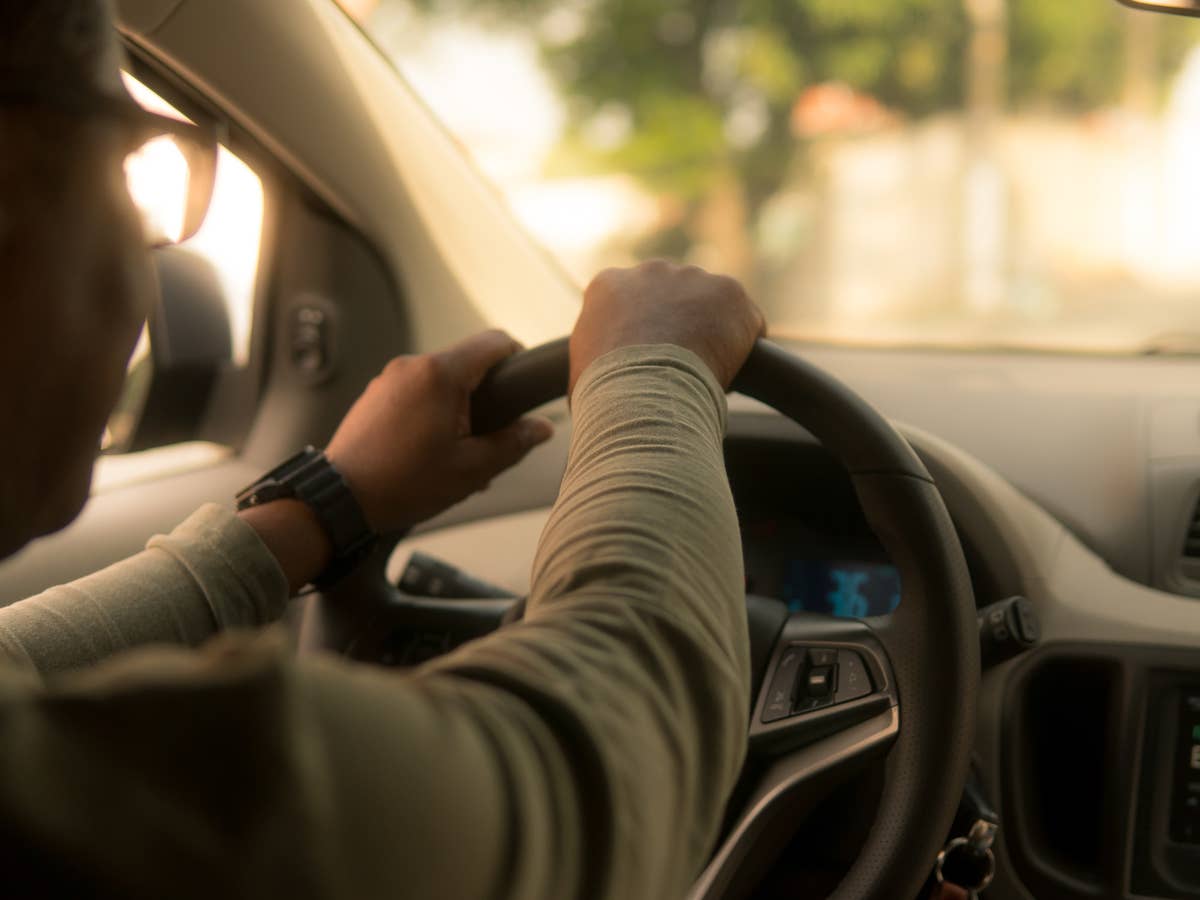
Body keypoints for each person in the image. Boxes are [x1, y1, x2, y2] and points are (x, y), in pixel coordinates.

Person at [0, 1, 765, 897]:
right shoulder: (139, 809)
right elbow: (596, 774)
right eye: (129, 162)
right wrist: (656, 373)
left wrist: (327, 506)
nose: (146, 250)